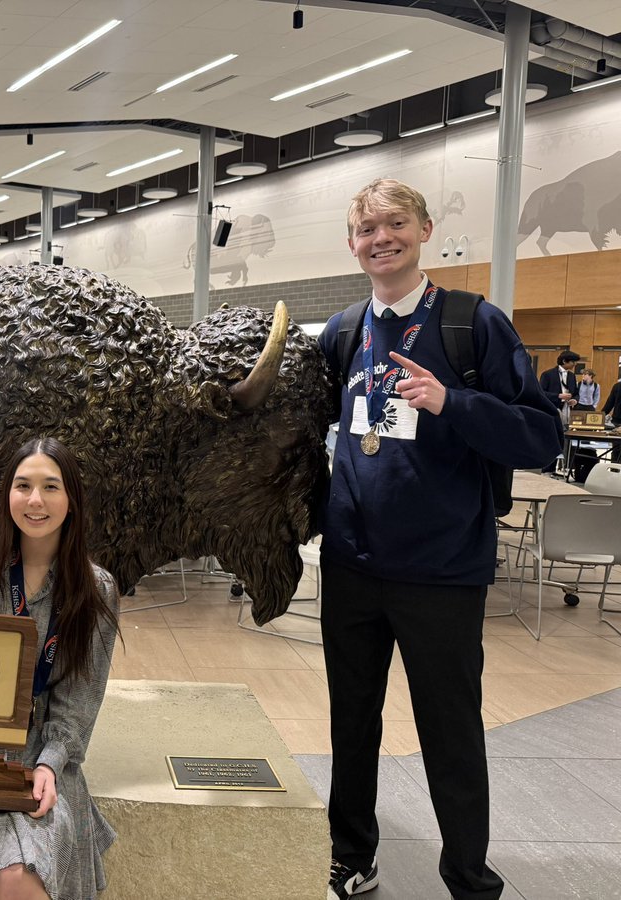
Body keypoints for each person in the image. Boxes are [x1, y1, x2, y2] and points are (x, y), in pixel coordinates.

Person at [317, 179, 561, 900]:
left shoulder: (472, 324)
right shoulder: (343, 331)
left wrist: (453, 401)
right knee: (351, 727)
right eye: (366, 228)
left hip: (443, 572)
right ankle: (351, 856)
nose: (381, 237)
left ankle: (468, 880)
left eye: (396, 223)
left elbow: (543, 436)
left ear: (425, 230)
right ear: (352, 242)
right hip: (353, 566)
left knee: (450, 732)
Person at [0, 436, 120, 900]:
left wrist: (50, 765)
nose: (35, 500)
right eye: (23, 485)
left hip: (45, 758)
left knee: (19, 879)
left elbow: (80, 698)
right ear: (7, 495)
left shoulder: (96, 589)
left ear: (72, 500)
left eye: (51, 487)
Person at [539, 350, 580, 414]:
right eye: (573, 361)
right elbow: (541, 393)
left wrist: (574, 400)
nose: (575, 364)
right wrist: (558, 396)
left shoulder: (572, 376)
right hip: (552, 408)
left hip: (568, 409)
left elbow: (576, 393)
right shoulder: (547, 374)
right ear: (564, 361)